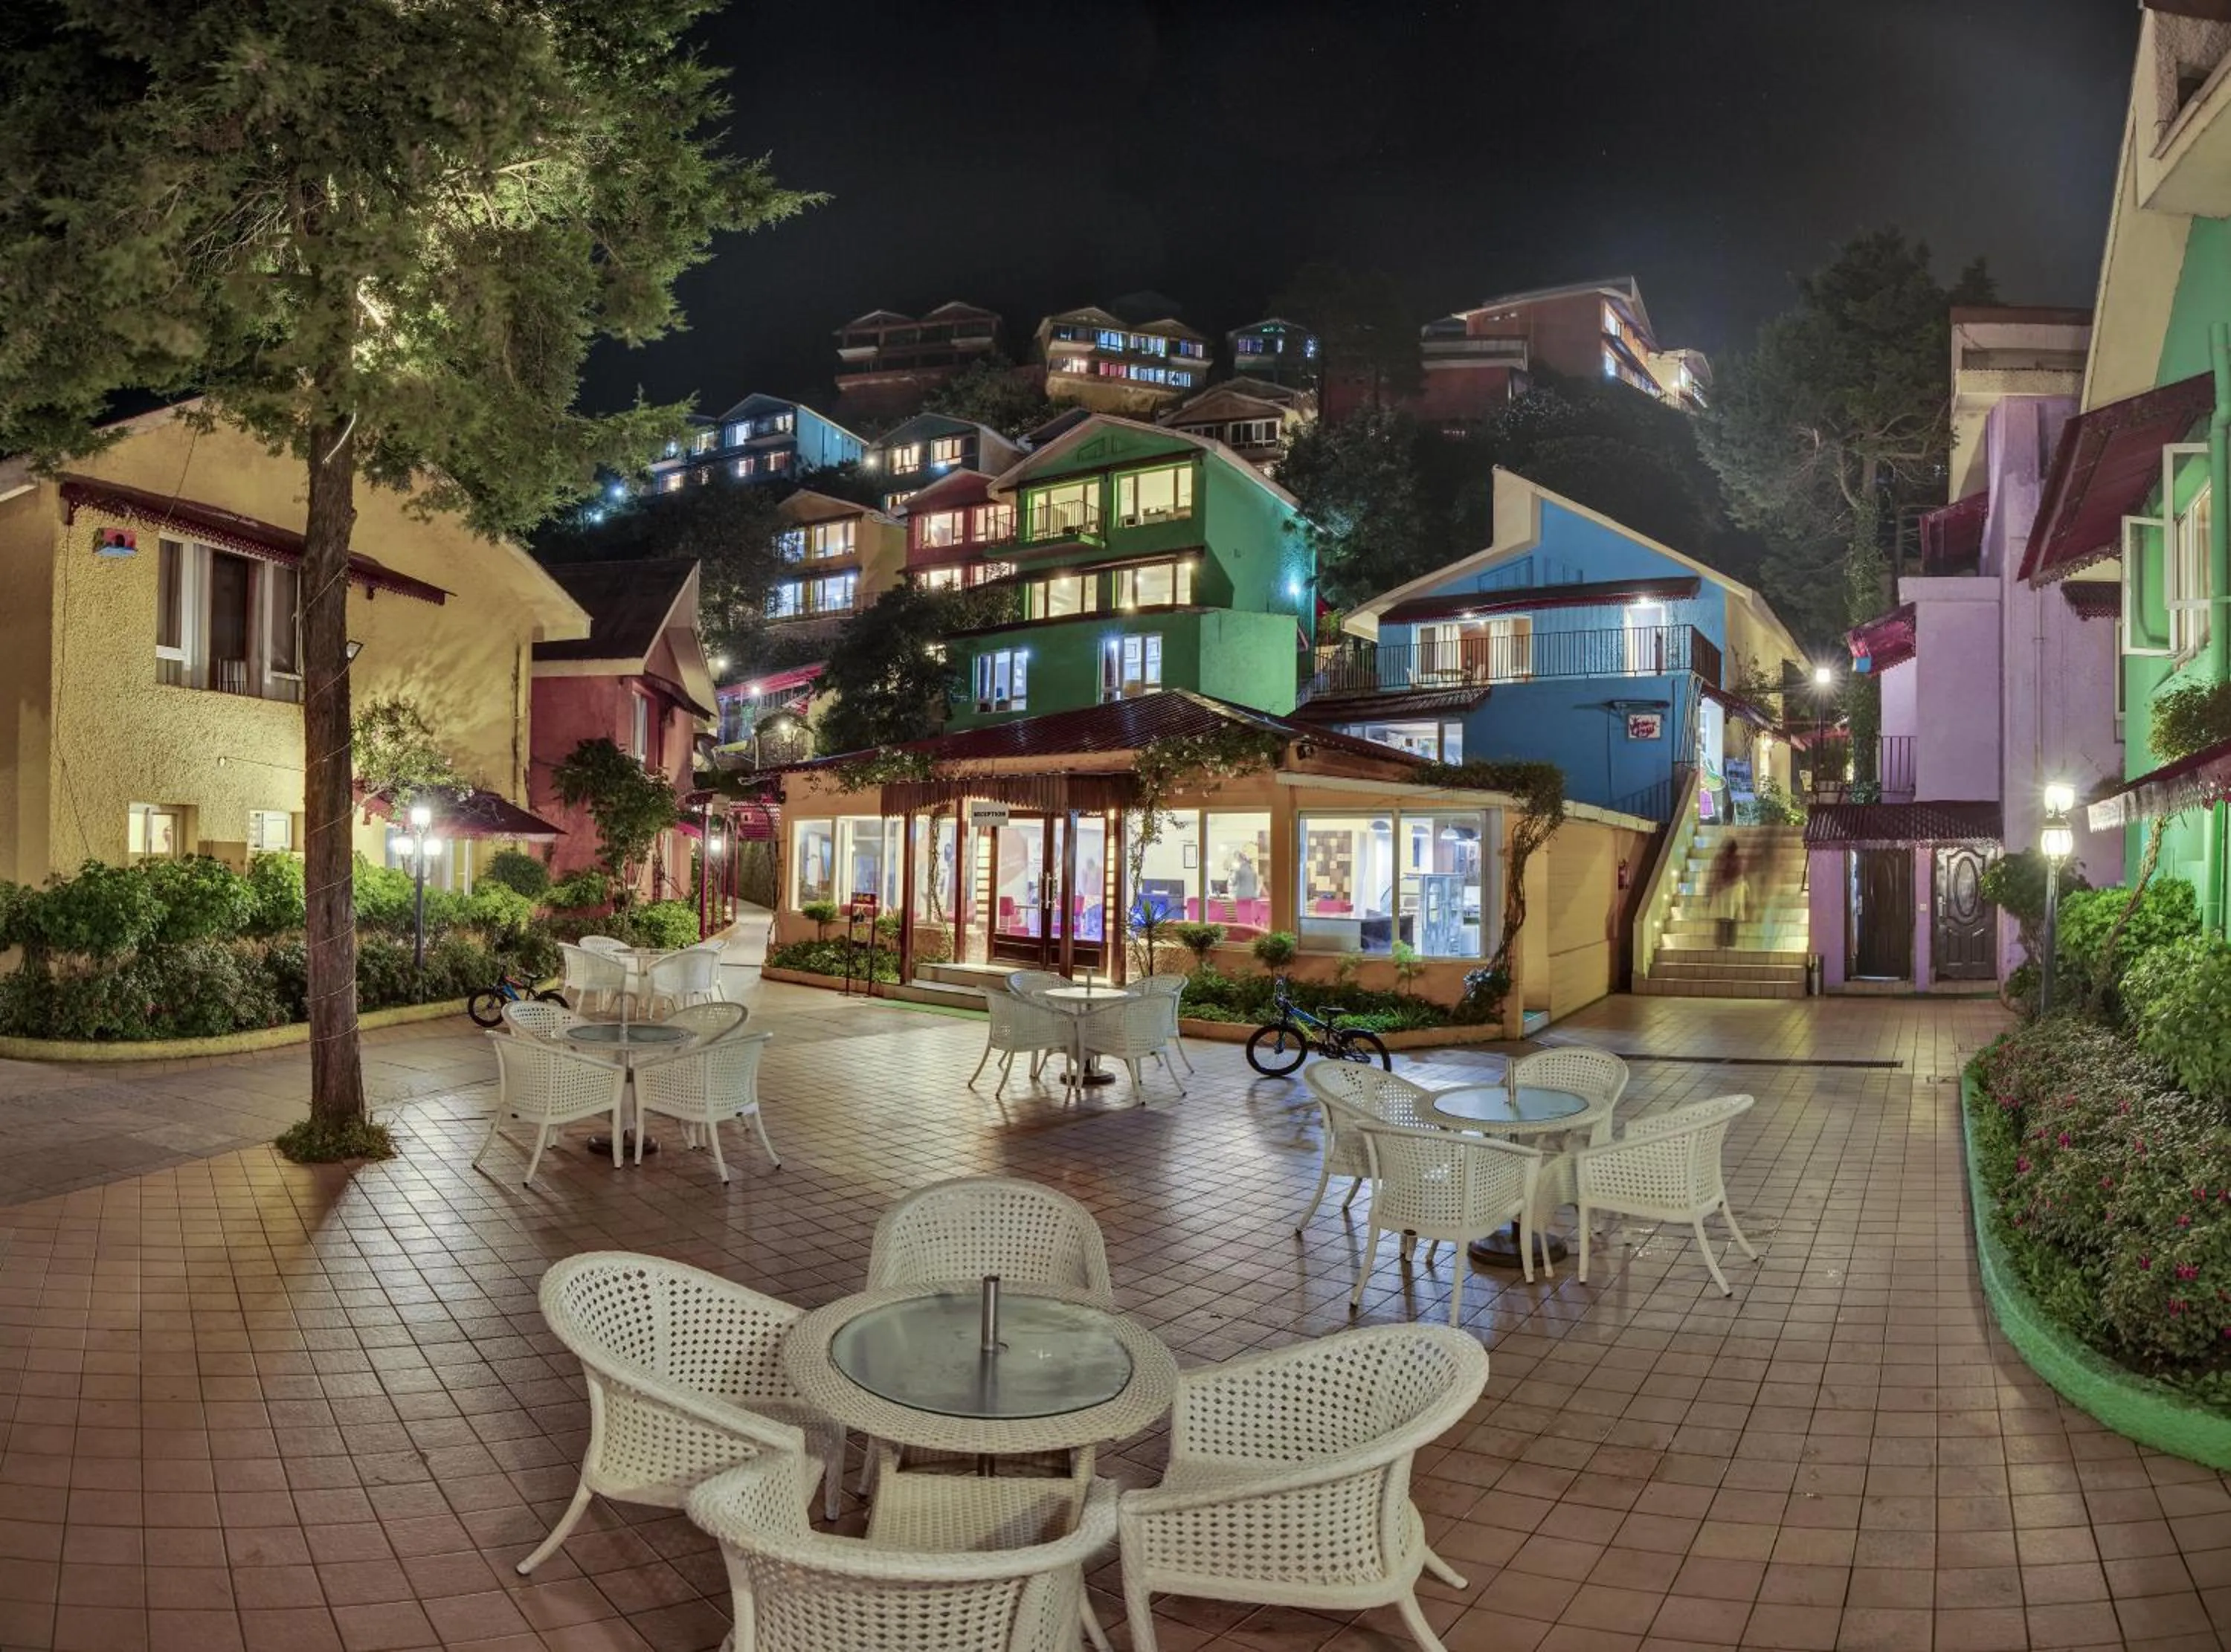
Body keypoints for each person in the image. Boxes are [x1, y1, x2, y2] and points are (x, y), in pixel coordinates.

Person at [1710, 836, 1747, 948]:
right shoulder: (1736, 860)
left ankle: (1722, 944)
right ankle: (1729, 944)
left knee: (1723, 919)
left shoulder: (1723, 858)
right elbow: (1739, 875)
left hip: (1726, 893)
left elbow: (1717, 874)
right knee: (1730, 919)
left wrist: (1719, 885)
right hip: (1733, 893)